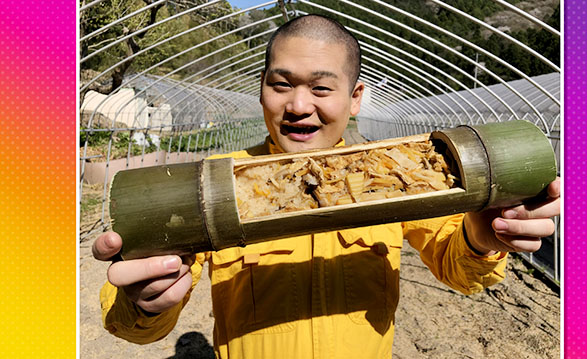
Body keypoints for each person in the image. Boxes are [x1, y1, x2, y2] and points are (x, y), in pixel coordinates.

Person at [93, 14, 561, 359]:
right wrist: (146, 304)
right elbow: (134, 326)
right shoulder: (212, 185)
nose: (298, 105)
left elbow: (457, 266)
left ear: (355, 98)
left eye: (321, 88)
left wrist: (482, 236)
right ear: (260, 89)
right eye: (281, 85)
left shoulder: (395, 172)